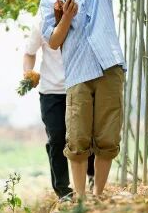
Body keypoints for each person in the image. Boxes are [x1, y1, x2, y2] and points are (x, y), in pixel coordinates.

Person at [38, 0, 127, 199]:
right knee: (77, 139)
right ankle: (81, 197)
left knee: (108, 136)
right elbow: (54, 41)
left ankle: (97, 194)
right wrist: (66, 17)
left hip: (109, 65)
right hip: (78, 71)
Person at [23, 14, 95, 200]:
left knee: (85, 135)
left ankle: (92, 175)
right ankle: (63, 190)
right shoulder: (42, 20)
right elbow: (29, 53)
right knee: (56, 138)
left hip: (80, 85)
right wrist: (28, 73)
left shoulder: (84, 16)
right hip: (51, 91)